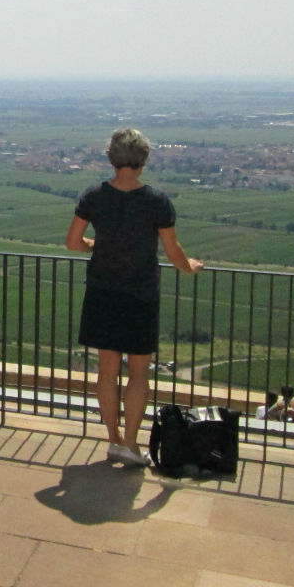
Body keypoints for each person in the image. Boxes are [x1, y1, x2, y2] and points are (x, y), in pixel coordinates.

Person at [66, 128, 204, 467]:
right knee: (139, 371)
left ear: (112, 158)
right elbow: (173, 251)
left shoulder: (93, 196)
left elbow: (72, 242)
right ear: (142, 160)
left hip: (102, 291)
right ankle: (130, 442)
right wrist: (189, 267)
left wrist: (92, 245)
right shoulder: (156, 201)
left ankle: (113, 439)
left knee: (107, 369)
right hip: (140, 294)